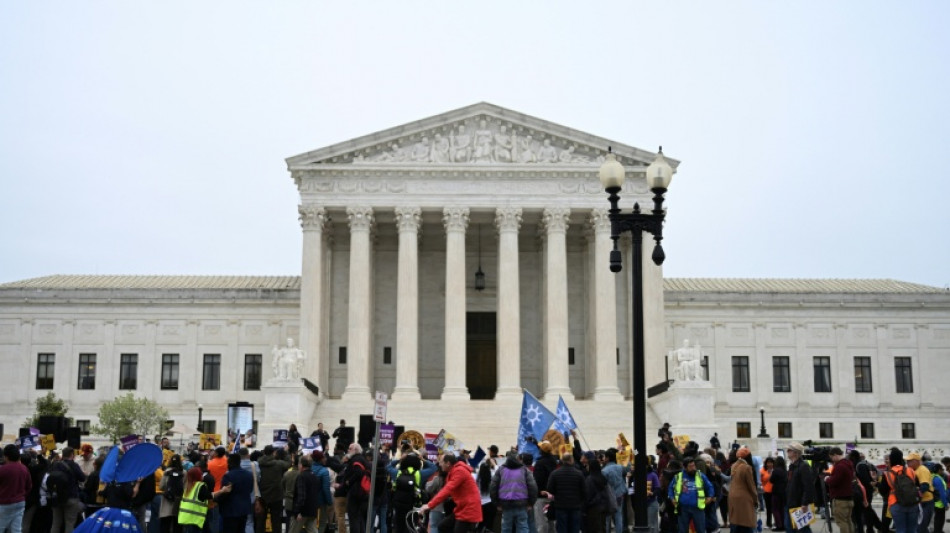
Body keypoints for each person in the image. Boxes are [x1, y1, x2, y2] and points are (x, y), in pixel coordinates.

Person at [421, 454, 483, 533]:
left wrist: (430, 505)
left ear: (448, 463)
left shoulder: (459, 471)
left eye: (441, 462)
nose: (439, 464)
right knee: (442, 526)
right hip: (462, 508)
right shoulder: (454, 472)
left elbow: (447, 489)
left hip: (468, 510)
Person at [490, 450, 538, 533]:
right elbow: (533, 487)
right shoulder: (525, 470)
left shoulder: (501, 470)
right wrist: (531, 503)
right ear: (519, 459)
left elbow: (493, 487)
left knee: (506, 528)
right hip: (522, 504)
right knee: (522, 527)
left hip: (506, 505)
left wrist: (496, 503)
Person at [668, 458, 714, 533]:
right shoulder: (678, 477)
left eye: (694, 466)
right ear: (685, 467)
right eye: (690, 466)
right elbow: (670, 488)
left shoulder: (700, 476)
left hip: (698, 508)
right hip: (683, 508)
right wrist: (672, 498)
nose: (693, 468)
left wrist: (710, 496)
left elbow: (710, 487)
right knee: (682, 530)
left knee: (701, 530)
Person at [213, 454, 254, 533]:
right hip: (244, 510)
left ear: (230, 463)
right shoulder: (249, 475)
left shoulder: (228, 476)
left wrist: (216, 499)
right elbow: (250, 489)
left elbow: (225, 493)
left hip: (230, 511)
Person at [546, 453, 587, 533]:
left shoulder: (555, 473)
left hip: (560, 505)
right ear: (572, 460)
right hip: (575, 505)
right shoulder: (579, 474)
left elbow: (550, 489)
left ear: (562, 461)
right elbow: (584, 490)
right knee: (575, 528)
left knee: (562, 528)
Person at [49, 446, 86, 533]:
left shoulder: (55, 464)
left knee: (55, 524)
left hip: (56, 497)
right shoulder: (74, 465)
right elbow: (82, 478)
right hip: (71, 498)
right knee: (70, 523)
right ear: (72, 455)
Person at [784, 443, 816, 533]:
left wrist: (805, 503)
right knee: (789, 528)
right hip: (790, 502)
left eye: (789, 450)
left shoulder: (803, 466)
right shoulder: (792, 466)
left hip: (799, 504)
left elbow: (808, 486)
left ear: (796, 453)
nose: (787, 452)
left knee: (802, 529)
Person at [0, 444, 32, 533]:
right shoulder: (24, 468)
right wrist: (22, 495)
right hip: (20, 502)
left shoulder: (3, 469)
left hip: (4, 503)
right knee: (16, 529)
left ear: (6, 456)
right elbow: (29, 486)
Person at [258, 446, 290, 533]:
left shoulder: (258, 463)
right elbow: (288, 463)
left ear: (264, 452)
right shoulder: (279, 464)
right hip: (276, 495)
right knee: (276, 520)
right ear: (273, 453)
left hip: (262, 495)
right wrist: (285, 452)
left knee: (261, 520)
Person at [825, 447, 855, 533]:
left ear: (835, 455)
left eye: (831, 458)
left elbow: (834, 481)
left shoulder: (840, 466)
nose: (832, 460)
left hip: (840, 499)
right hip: (849, 497)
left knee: (841, 522)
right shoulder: (848, 463)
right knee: (848, 521)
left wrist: (827, 479)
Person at [728, 447, 757, 533]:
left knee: (735, 521)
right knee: (745, 522)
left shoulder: (733, 466)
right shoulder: (746, 467)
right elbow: (751, 486)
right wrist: (755, 499)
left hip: (733, 496)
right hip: (744, 498)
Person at [533, 441, 558, 533]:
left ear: (541, 451)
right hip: (553, 496)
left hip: (541, 496)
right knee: (552, 522)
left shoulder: (540, 463)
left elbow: (537, 480)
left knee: (541, 523)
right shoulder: (554, 462)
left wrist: (539, 491)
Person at [905, 452, 934, 533]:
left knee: (921, 527)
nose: (907, 463)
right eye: (907, 461)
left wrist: (916, 494)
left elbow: (924, 486)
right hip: (922, 502)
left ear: (916, 461)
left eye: (910, 461)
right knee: (921, 527)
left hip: (926, 502)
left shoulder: (922, 470)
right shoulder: (916, 470)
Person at [290, 456, 319, 533]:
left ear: (301, 465)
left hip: (302, 512)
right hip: (312, 511)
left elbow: (301, 496)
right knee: (312, 530)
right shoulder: (314, 476)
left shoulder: (301, 476)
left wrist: (297, 511)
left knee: (293, 531)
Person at [178, 467, 212, 533]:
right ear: (198, 476)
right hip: (196, 519)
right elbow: (209, 496)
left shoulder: (187, 486)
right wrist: (221, 491)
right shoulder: (200, 486)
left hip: (186, 518)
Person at [160, 454, 186, 533]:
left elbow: (162, 486)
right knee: (177, 525)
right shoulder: (184, 472)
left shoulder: (167, 471)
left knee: (165, 524)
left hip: (167, 500)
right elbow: (185, 487)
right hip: (178, 501)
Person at [769, 456, 787, 531]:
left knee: (775, 509)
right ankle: (783, 524)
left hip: (776, 492)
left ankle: (778, 525)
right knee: (782, 509)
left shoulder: (775, 471)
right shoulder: (785, 471)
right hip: (784, 492)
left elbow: (771, 480)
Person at [932, 463, 948, 533]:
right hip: (940, 504)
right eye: (942, 470)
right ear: (939, 470)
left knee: (937, 519)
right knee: (940, 520)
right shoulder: (938, 479)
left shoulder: (933, 477)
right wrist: (945, 504)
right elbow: (942, 493)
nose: (943, 471)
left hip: (935, 502)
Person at [760, 457, 774, 529]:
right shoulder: (762, 470)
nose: (769, 464)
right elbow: (760, 480)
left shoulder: (775, 470)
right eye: (768, 463)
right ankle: (768, 523)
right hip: (766, 491)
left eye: (771, 462)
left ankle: (777, 522)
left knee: (774, 508)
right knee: (768, 508)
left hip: (774, 491)